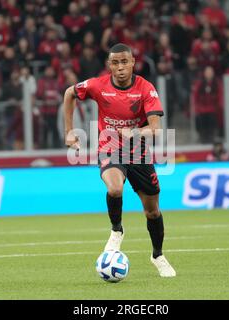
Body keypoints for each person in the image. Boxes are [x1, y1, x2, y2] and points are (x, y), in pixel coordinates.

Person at [63, 43, 176, 277]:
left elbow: (156, 128)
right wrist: (69, 130)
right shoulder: (98, 85)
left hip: (139, 154)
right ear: (109, 65)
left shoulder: (145, 88)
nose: (120, 67)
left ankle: (158, 255)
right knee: (115, 189)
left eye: (125, 62)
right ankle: (117, 230)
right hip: (110, 147)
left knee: (152, 211)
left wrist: (134, 132)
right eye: (115, 63)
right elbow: (69, 93)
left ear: (133, 63)